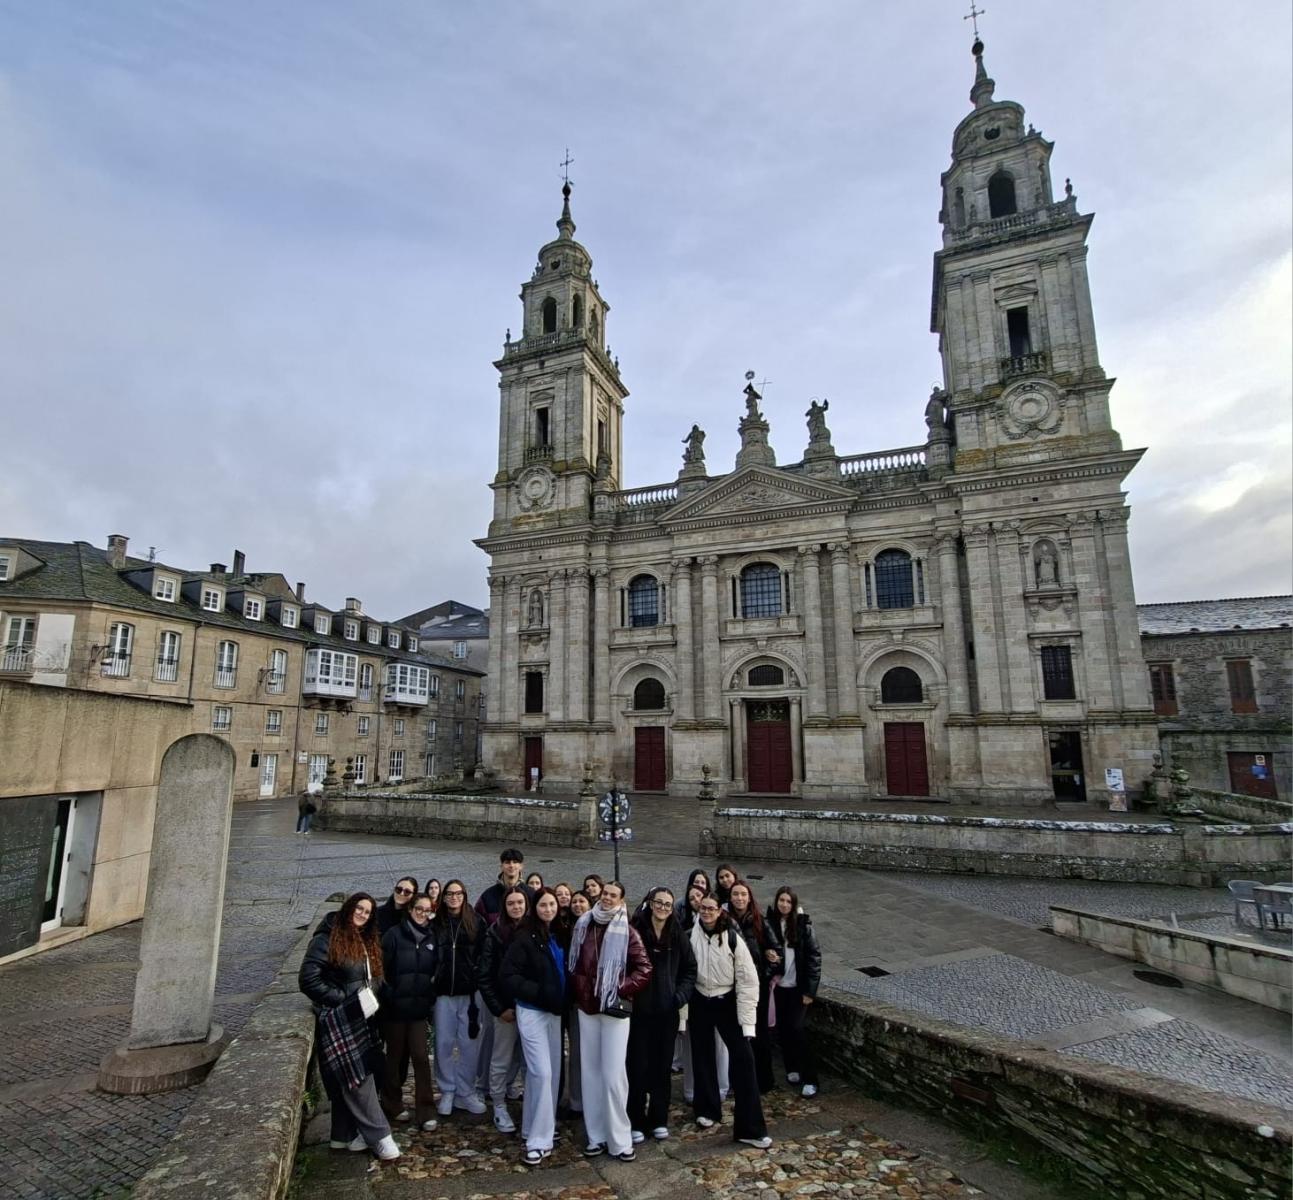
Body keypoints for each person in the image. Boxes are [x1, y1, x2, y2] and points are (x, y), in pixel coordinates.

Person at [299, 893, 400, 1161]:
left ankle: (343, 1136)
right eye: (359, 908)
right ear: (348, 908)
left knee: (360, 1072)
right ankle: (380, 1137)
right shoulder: (327, 938)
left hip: (363, 1015)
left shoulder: (365, 939)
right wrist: (343, 1000)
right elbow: (308, 979)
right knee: (357, 1076)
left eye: (367, 911)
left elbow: (371, 977)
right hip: (341, 1017)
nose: (362, 914)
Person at [568, 880, 652, 1162]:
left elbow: (644, 968)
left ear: (621, 901)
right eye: (605, 893)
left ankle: (620, 1138)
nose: (606, 898)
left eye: (613, 895)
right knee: (590, 1072)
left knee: (614, 1075)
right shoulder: (584, 925)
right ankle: (596, 1135)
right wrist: (580, 988)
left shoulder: (628, 931)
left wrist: (618, 987)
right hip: (588, 1006)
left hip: (614, 1008)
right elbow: (575, 964)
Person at [688, 896, 771, 1149]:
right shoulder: (689, 937)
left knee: (744, 1060)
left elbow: (748, 979)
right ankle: (707, 1109)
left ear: (719, 912)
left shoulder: (733, 938)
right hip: (700, 1000)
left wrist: (748, 1023)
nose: (706, 912)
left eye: (711, 908)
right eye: (703, 908)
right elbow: (684, 974)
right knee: (702, 1055)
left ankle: (750, 1128)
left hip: (727, 1001)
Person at [501, 887, 567, 1166]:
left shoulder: (560, 934)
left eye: (552, 904)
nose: (548, 909)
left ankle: (536, 1127)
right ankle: (538, 1141)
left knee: (552, 1074)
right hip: (532, 1011)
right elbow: (508, 975)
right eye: (543, 905)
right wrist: (538, 993)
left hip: (555, 1012)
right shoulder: (524, 937)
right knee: (541, 1072)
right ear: (534, 908)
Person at [627, 887, 696, 1143]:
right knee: (637, 1066)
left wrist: (679, 997)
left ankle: (658, 1118)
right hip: (640, 1012)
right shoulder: (635, 931)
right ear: (650, 903)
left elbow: (690, 969)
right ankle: (635, 1119)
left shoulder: (677, 934)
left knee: (662, 1066)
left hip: (667, 1012)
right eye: (659, 902)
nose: (663, 908)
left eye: (667, 904)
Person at [380, 893, 439, 1131]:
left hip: (418, 1010)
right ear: (410, 909)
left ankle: (426, 1111)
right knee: (395, 1058)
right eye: (419, 909)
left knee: (421, 1057)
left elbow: (435, 971)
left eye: (427, 910)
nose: (422, 914)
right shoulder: (394, 935)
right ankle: (392, 1104)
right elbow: (380, 969)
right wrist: (389, 995)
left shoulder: (432, 937)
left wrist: (429, 998)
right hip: (394, 1009)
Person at [430, 879, 486, 1115]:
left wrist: (477, 977)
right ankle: (447, 1090)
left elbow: (484, 954)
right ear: (443, 897)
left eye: (458, 893)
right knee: (443, 1042)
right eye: (450, 894)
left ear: (464, 895)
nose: (454, 897)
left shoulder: (476, 921)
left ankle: (466, 1091)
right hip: (443, 992)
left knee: (469, 1043)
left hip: (470, 993)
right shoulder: (436, 923)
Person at [478, 885, 529, 1134]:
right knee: (501, 1057)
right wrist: (499, 1009)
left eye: (520, 902)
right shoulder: (495, 933)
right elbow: (485, 976)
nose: (516, 907)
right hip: (507, 1008)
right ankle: (498, 1104)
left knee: (525, 1058)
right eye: (511, 903)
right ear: (504, 907)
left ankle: (528, 1100)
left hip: (531, 1007)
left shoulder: (534, 930)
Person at [765, 887, 822, 1098]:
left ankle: (811, 1079)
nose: (784, 904)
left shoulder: (803, 926)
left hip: (798, 989)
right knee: (783, 1030)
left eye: (788, 901)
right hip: (778, 987)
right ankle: (792, 1068)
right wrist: (767, 953)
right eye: (781, 900)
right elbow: (762, 948)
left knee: (798, 1030)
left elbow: (814, 958)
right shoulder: (769, 924)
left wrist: (810, 991)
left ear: (794, 904)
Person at [726, 880, 781, 1094]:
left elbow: (777, 953)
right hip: (733, 987)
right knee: (737, 1036)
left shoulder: (760, 921)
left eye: (743, 894)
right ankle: (739, 1080)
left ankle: (764, 1081)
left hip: (757, 987)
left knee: (760, 1035)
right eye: (735, 894)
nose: (739, 898)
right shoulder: (724, 921)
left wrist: (762, 977)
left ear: (749, 898)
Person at [559, 888, 593, 1115]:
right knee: (576, 1053)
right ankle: (576, 1100)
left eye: (582, 901)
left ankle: (589, 1098)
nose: (578, 905)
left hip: (590, 999)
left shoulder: (597, 928)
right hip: (571, 998)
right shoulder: (564, 929)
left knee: (586, 1052)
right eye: (575, 901)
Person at [476, 849, 531, 925]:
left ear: (521, 866)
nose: (511, 865)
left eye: (515, 862)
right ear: (501, 866)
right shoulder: (487, 896)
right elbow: (476, 923)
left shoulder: (531, 894)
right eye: (507, 862)